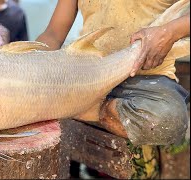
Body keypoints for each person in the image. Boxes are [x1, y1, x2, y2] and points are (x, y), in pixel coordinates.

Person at [36, 0, 190, 146]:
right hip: (88, 76)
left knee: (169, 120)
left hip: (146, 80)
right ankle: (82, 105)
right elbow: (53, 34)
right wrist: (32, 63)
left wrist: (169, 31)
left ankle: (84, 108)